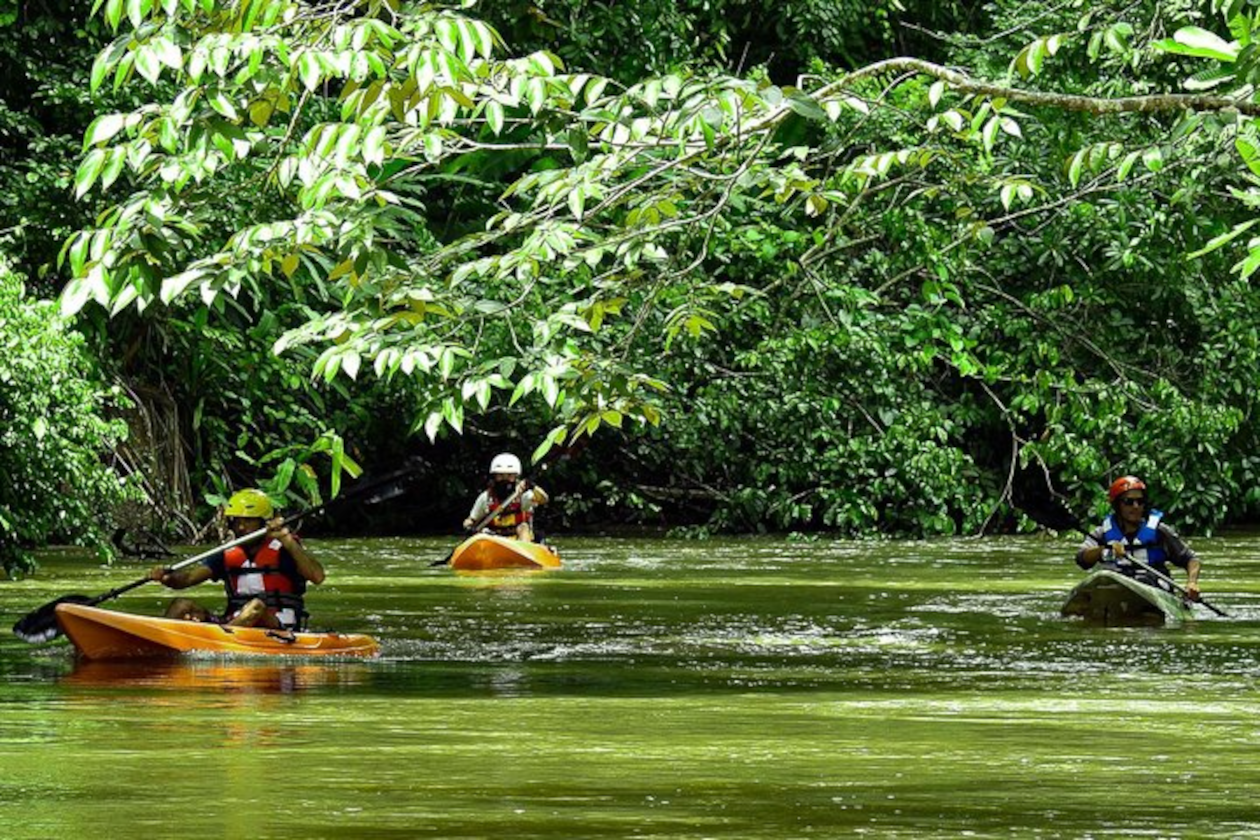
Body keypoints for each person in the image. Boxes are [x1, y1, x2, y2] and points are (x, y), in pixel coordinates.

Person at [149, 489, 325, 629]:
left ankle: (220, 642)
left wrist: (287, 540)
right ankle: (160, 642)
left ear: (263, 522)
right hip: (235, 620)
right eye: (237, 521)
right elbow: (187, 579)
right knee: (181, 605)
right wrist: (167, 578)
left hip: (279, 622)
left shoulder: (284, 548)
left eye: (248, 521)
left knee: (256, 606)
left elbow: (317, 576)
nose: (241, 527)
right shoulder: (228, 553)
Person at [1075, 475, 1201, 600]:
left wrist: (1192, 583)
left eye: (1140, 502)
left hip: (1153, 586)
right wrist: (1102, 551)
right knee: (1103, 582)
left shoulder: (1160, 531)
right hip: (1116, 587)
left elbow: (1191, 559)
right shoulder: (1102, 533)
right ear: (1117, 505)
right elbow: (1081, 558)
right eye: (1129, 502)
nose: (1135, 506)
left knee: (1144, 580)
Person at [462, 452, 550, 542]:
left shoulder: (523, 495)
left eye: (509, 475)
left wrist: (532, 486)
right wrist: (468, 527)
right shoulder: (486, 498)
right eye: (500, 475)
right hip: (494, 540)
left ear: (516, 476)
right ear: (494, 476)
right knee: (482, 533)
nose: (505, 479)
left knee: (523, 527)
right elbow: (471, 519)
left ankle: (522, 551)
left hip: (519, 541)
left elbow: (544, 500)